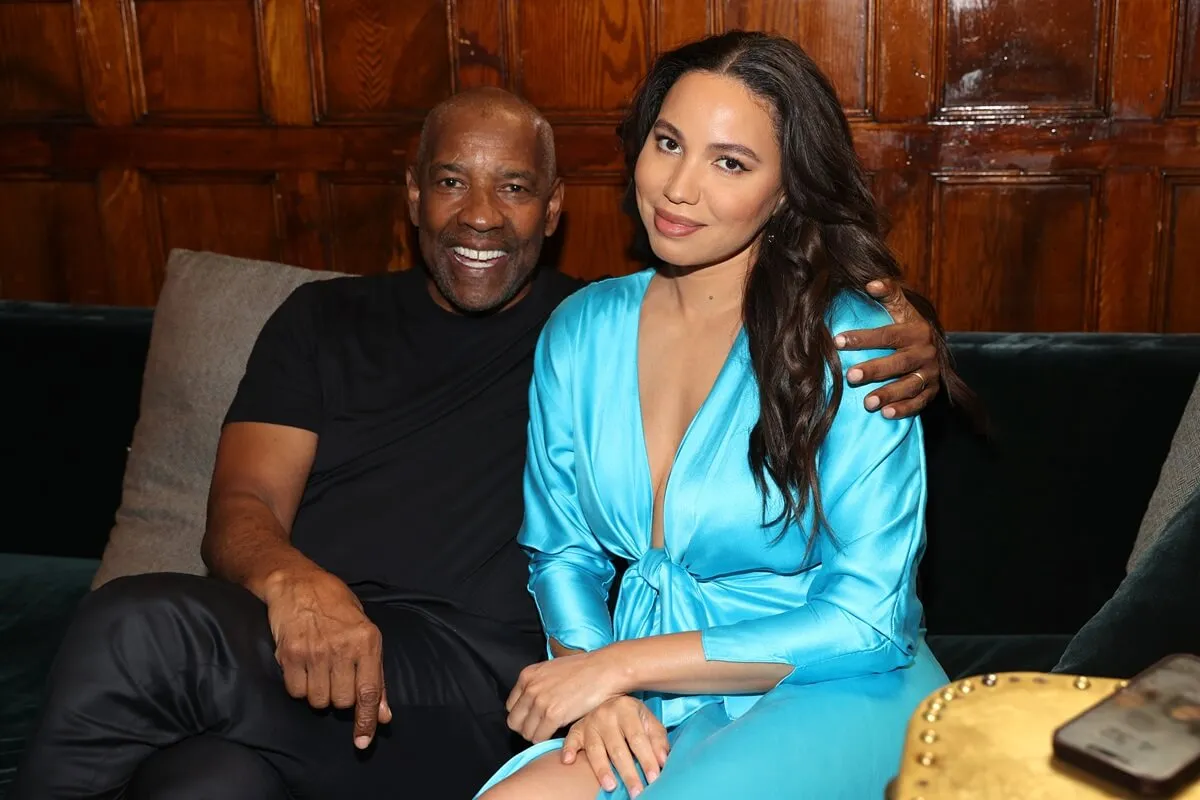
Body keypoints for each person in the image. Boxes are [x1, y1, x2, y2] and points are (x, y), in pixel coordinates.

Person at [11, 87, 948, 800]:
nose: (481, 216)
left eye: (515, 188)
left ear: (554, 211)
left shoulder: (571, 324)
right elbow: (244, 511)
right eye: (453, 181)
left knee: (134, 626)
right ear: (413, 194)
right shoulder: (327, 321)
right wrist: (296, 582)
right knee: (206, 783)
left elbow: (765, 322)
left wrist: (915, 329)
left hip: (479, 678)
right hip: (305, 655)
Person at [475, 32, 957, 800]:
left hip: (837, 680)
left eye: (729, 162)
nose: (678, 188)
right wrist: (603, 689)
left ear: (788, 189)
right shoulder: (580, 329)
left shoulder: (855, 341)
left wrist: (621, 667)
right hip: (648, 681)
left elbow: (868, 618)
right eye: (668, 143)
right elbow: (563, 552)